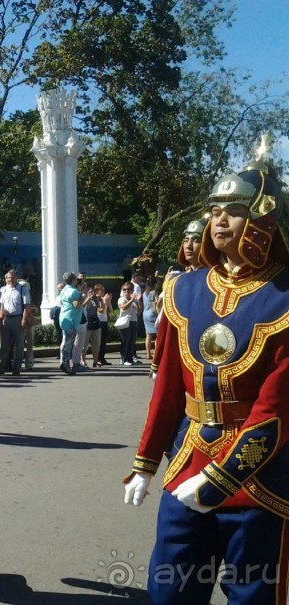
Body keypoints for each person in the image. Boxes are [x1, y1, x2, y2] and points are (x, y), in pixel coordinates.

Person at [123, 150, 289, 604]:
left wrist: (223, 478)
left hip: (258, 480)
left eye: (234, 211)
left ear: (262, 221)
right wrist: (145, 462)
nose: (219, 221)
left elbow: (275, 411)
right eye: (215, 210)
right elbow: (167, 389)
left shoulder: (284, 296)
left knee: (252, 596)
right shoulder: (185, 288)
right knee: (169, 592)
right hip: (187, 463)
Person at [0, 270, 28, 376]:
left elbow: (26, 306)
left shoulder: (22, 289)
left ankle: (16, 369)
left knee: (19, 346)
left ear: (16, 278)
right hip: (7, 319)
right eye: (8, 278)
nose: (10, 280)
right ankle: (1, 368)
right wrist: (0, 320)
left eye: (12, 277)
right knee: (4, 345)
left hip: (18, 318)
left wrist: (23, 320)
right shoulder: (4, 289)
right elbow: (2, 305)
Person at [58, 272, 87, 375]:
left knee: (65, 341)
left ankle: (64, 362)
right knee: (68, 343)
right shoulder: (73, 292)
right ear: (74, 280)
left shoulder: (64, 289)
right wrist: (83, 295)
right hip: (71, 319)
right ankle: (65, 363)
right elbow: (77, 305)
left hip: (65, 317)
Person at [116, 282, 140, 366]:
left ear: (132, 290)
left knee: (131, 341)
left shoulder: (133, 300)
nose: (127, 291)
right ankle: (124, 359)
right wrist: (132, 300)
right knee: (125, 341)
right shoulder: (122, 299)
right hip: (125, 322)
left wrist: (138, 300)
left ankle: (130, 359)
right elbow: (124, 307)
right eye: (124, 289)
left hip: (133, 321)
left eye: (129, 289)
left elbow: (139, 310)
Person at [142, 275, 159, 359]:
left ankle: (148, 354)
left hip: (145, 314)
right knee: (157, 335)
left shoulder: (144, 293)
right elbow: (157, 303)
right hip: (153, 314)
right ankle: (156, 353)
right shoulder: (154, 292)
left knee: (148, 335)